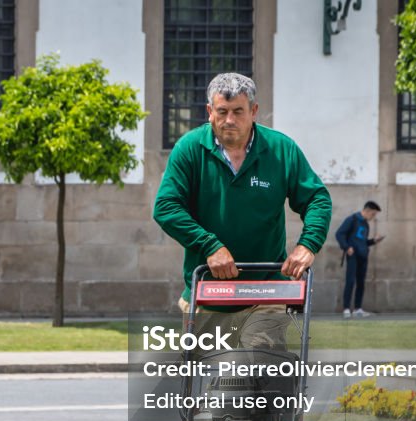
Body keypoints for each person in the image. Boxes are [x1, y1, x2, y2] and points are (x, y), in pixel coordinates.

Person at [153, 73, 332, 349]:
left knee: (262, 363)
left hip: (266, 289)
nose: (229, 120)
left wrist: (308, 245)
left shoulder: (281, 150)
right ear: (209, 111)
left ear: (254, 111)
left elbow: (316, 198)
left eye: (238, 111)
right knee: (209, 377)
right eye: (222, 111)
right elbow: (166, 207)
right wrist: (209, 245)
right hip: (208, 291)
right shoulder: (189, 149)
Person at [335, 201, 384, 318]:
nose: (373, 217)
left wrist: (374, 241)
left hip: (363, 256)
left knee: (361, 283)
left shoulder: (365, 224)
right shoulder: (352, 219)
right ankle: (346, 308)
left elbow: (363, 241)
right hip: (353, 256)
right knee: (350, 281)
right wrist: (346, 247)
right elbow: (339, 234)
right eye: (373, 214)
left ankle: (358, 309)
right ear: (367, 210)